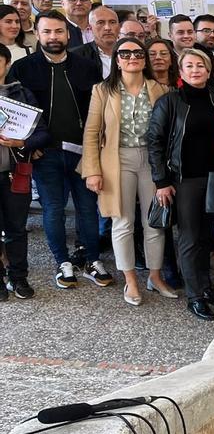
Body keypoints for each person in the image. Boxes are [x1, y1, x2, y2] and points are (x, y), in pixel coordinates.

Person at [8, 11, 109, 288]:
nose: (53, 37)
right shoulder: (24, 68)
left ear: (67, 34)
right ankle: (62, 262)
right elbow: (19, 112)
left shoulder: (87, 67)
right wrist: (31, 146)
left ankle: (91, 259)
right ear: (37, 35)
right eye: (47, 32)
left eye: (58, 31)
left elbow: (97, 109)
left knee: (88, 208)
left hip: (83, 151)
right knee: (53, 209)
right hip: (45, 153)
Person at [82, 37, 171, 307]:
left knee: (154, 220)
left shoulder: (159, 89)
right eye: (125, 53)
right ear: (117, 59)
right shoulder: (103, 90)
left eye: (137, 53)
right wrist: (92, 170)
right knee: (122, 221)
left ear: (144, 59)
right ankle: (131, 280)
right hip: (116, 159)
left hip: (152, 160)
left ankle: (154, 276)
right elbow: (92, 131)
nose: (132, 57)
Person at [146, 48, 214, 319]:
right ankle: (194, 295)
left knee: (207, 237)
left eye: (201, 66)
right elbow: (155, 142)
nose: (196, 70)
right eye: (190, 66)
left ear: (208, 71)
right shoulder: (170, 102)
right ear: (181, 72)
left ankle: (206, 287)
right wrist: (161, 181)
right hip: (184, 181)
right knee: (190, 238)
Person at [0, 45, 47, 300]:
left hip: (14, 171)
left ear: (7, 64)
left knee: (17, 228)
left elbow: (42, 133)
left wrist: (22, 143)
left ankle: (19, 278)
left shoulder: (21, 94)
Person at [69, 6, 119, 76]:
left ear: (119, 26)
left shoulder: (130, 52)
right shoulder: (76, 57)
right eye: (100, 22)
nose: (108, 28)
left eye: (112, 22)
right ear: (90, 28)